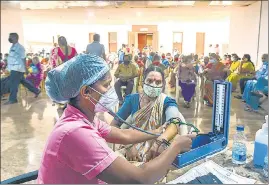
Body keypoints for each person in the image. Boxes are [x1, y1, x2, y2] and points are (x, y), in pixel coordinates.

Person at [38, 54, 194, 184]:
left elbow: (124, 134)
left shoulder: (83, 118)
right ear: (86, 91)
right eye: (106, 85)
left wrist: (158, 133)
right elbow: (139, 179)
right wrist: (176, 146)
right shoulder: (76, 133)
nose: (111, 91)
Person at [111, 66, 188, 162]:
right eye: (150, 81)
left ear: (163, 85)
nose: (153, 85)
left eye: (158, 82)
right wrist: (129, 146)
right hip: (133, 142)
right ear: (143, 82)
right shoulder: (132, 99)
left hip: (159, 147)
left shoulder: (167, 102)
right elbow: (114, 125)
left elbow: (174, 124)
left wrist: (158, 143)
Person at [4, 33, 40, 105]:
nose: (9, 38)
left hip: (18, 69)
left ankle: (12, 99)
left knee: (13, 83)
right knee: (24, 82)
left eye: (10, 37)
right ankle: (36, 91)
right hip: (14, 68)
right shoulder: (12, 46)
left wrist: (25, 68)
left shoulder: (20, 47)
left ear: (15, 38)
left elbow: (23, 58)